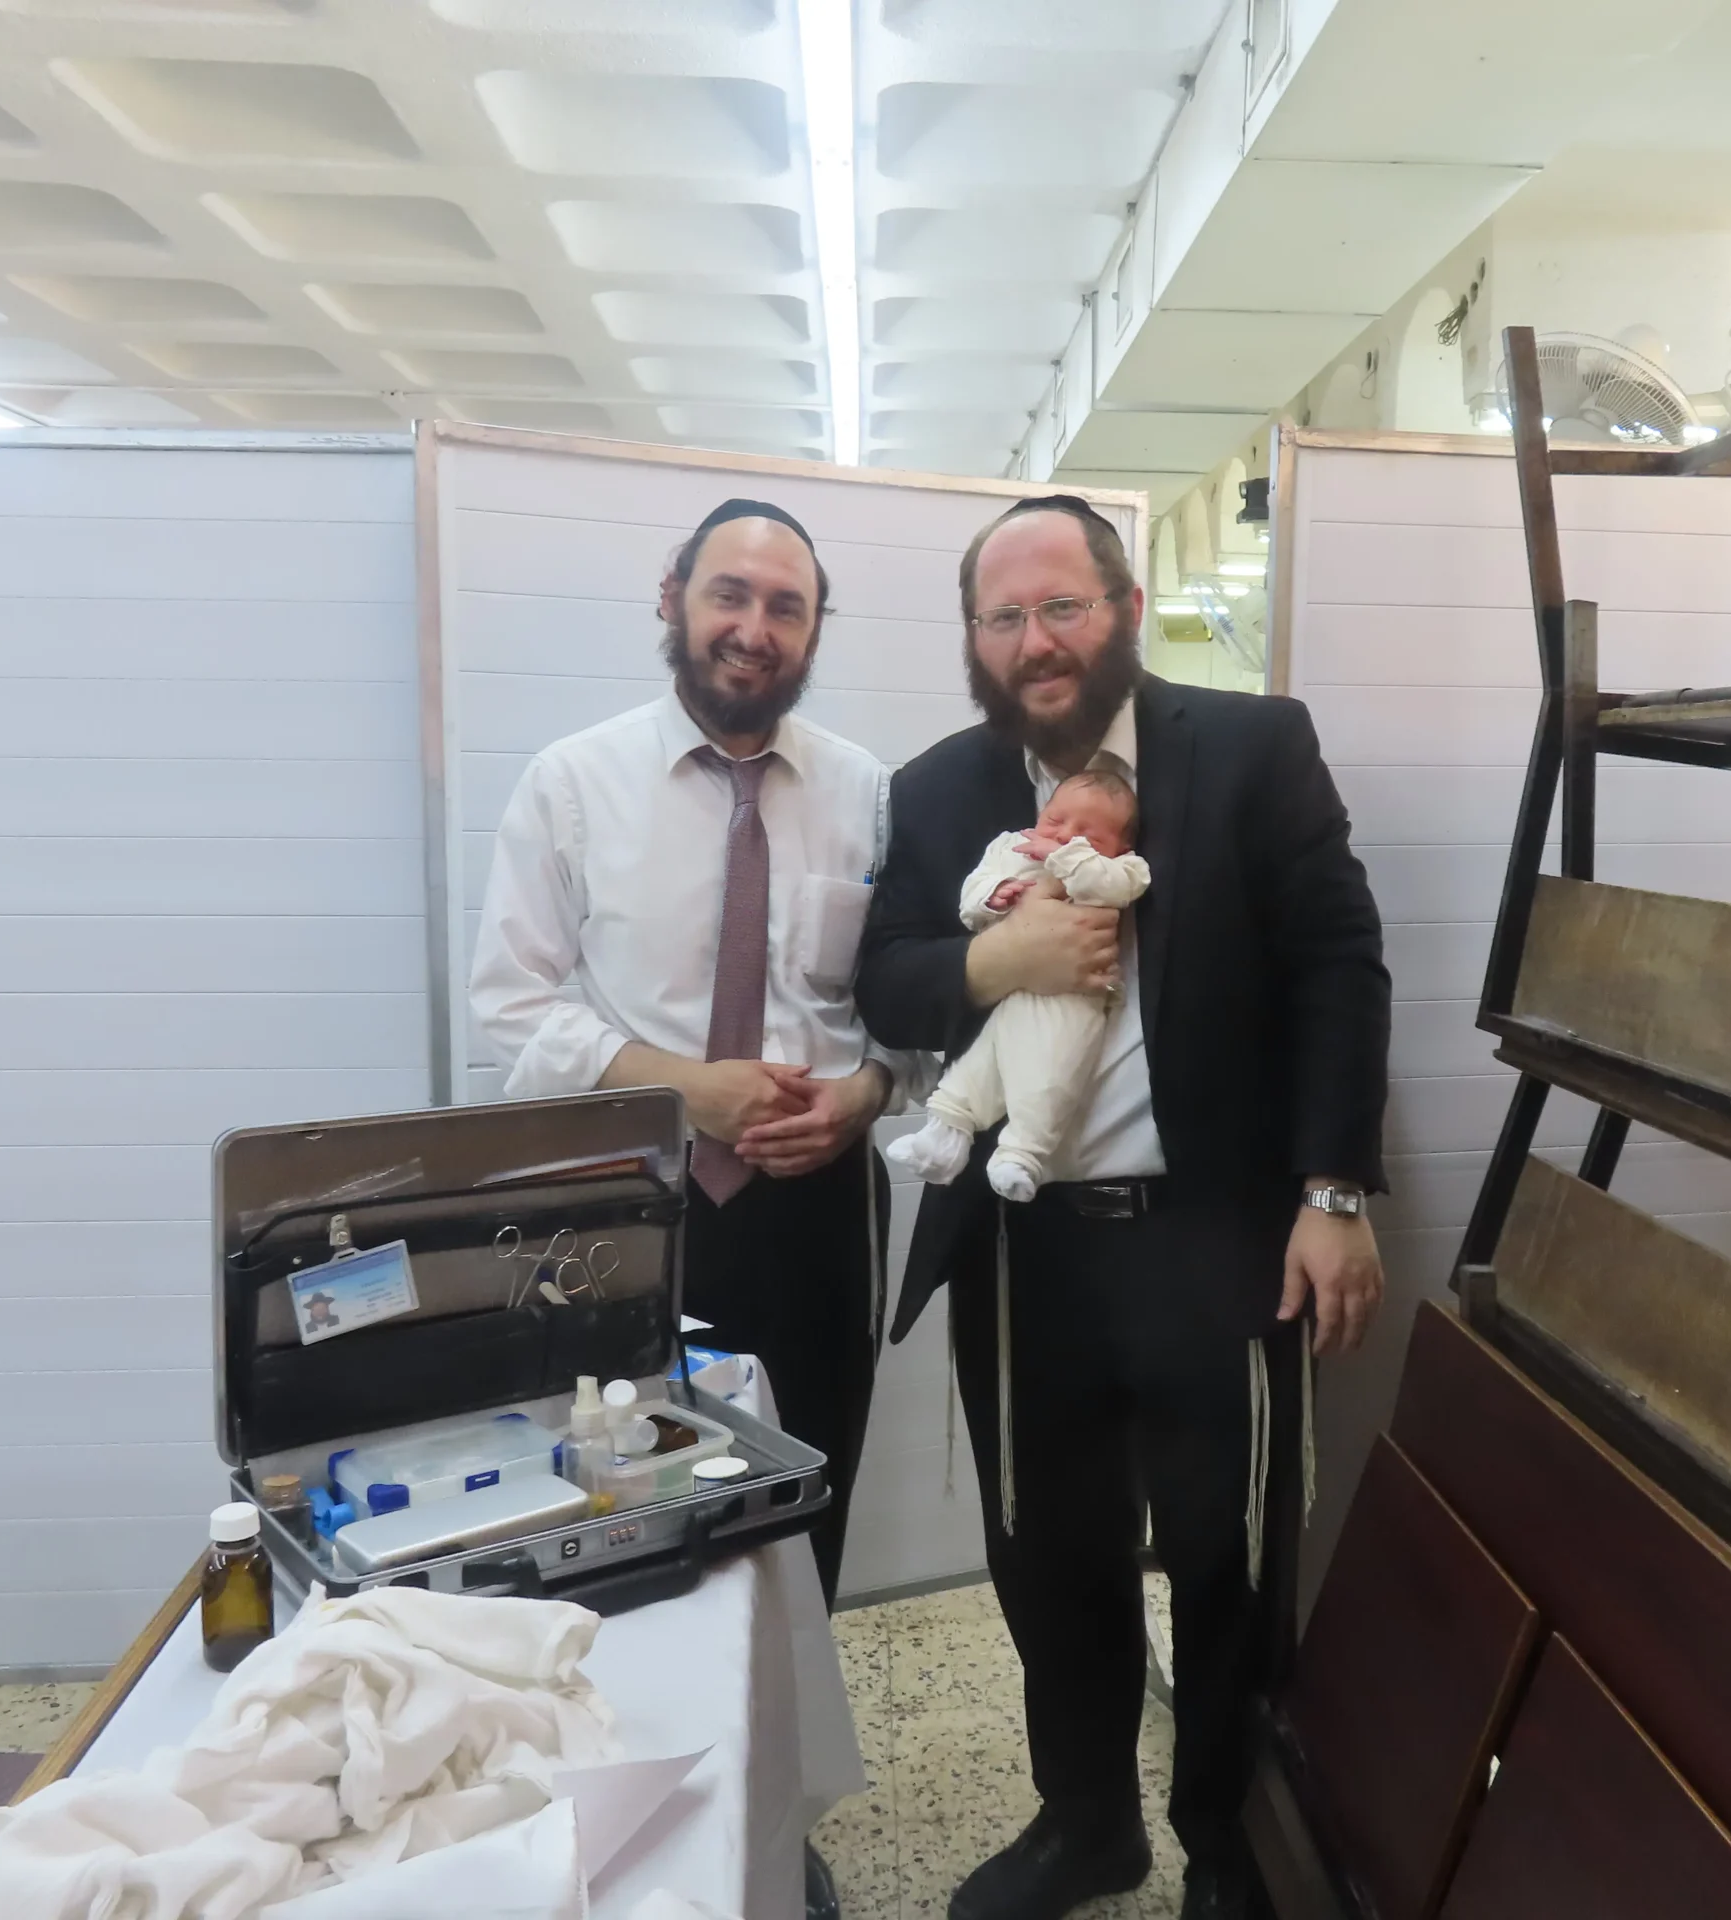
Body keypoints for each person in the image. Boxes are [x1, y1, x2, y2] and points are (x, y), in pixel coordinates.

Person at [855, 496, 1391, 1920]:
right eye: (1003, 617)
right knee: (1047, 1555)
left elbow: (1339, 962)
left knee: (1229, 1558)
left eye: (1063, 607)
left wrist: (1334, 1189)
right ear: (973, 637)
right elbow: (888, 978)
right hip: (1026, 1254)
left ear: (1126, 609)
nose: (1035, 641)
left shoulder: (1253, 748)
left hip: (1218, 1240)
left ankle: (1228, 1845)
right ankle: (1087, 1823)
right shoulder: (937, 789)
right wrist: (1000, 962)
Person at [470, 495, 913, 1611]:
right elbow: (509, 1003)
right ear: (672, 599)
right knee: (629, 1503)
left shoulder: (869, 794)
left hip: (821, 1209)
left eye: (785, 608)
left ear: (813, 631)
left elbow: (909, 1013)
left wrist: (866, 1093)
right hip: (633, 1200)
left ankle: (787, 1713)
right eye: (729, 595)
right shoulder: (573, 783)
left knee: (809, 1489)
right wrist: (687, 1090)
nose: (753, 630)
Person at [885, 768, 1151, 1199]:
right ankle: (943, 1135)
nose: (1064, 835)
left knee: (1048, 1077)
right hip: (1011, 992)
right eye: (1055, 820)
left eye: (1087, 835)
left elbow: (1116, 886)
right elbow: (972, 894)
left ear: (1121, 847)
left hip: (1074, 1001)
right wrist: (994, 894)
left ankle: (1022, 1154)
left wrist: (1066, 856)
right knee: (979, 1067)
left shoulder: (1123, 867)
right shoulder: (1011, 847)